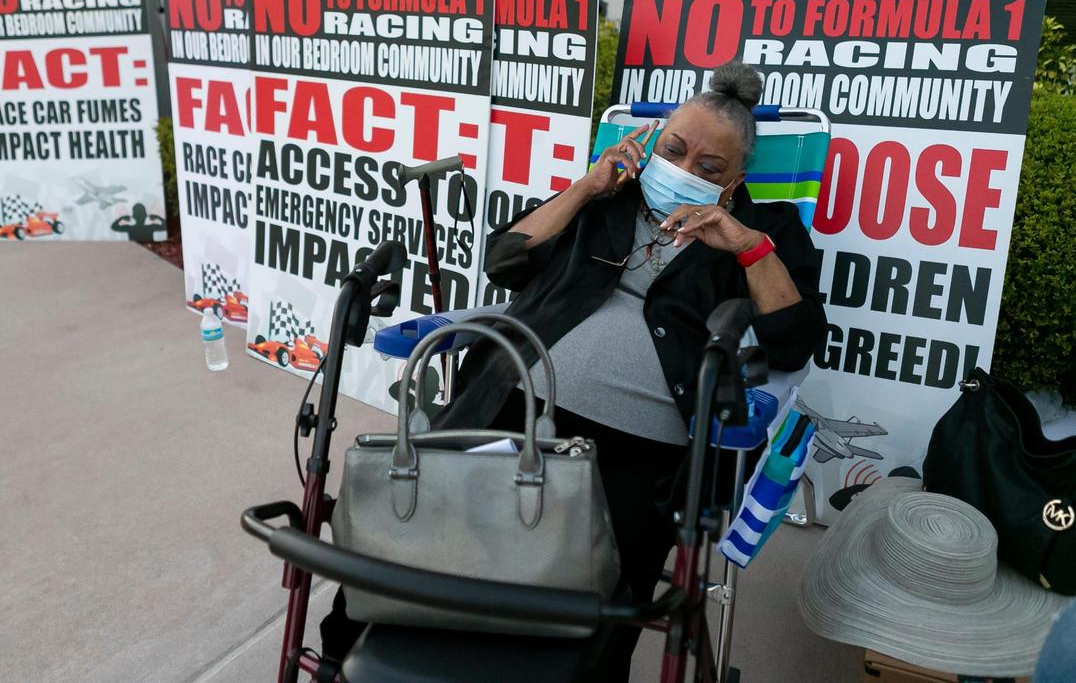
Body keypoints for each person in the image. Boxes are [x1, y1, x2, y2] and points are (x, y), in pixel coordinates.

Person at [321, 61, 827, 679]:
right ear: (651, 143)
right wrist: (587, 187)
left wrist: (744, 244)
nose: (684, 171)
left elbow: (793, 341)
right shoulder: (604, 201)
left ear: (735, 180)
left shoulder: (763, 233)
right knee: (414, 537)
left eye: (709, 168)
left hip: (640, 451)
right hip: (507, 399)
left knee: (592, 593)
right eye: (673, 150)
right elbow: (505, 262)